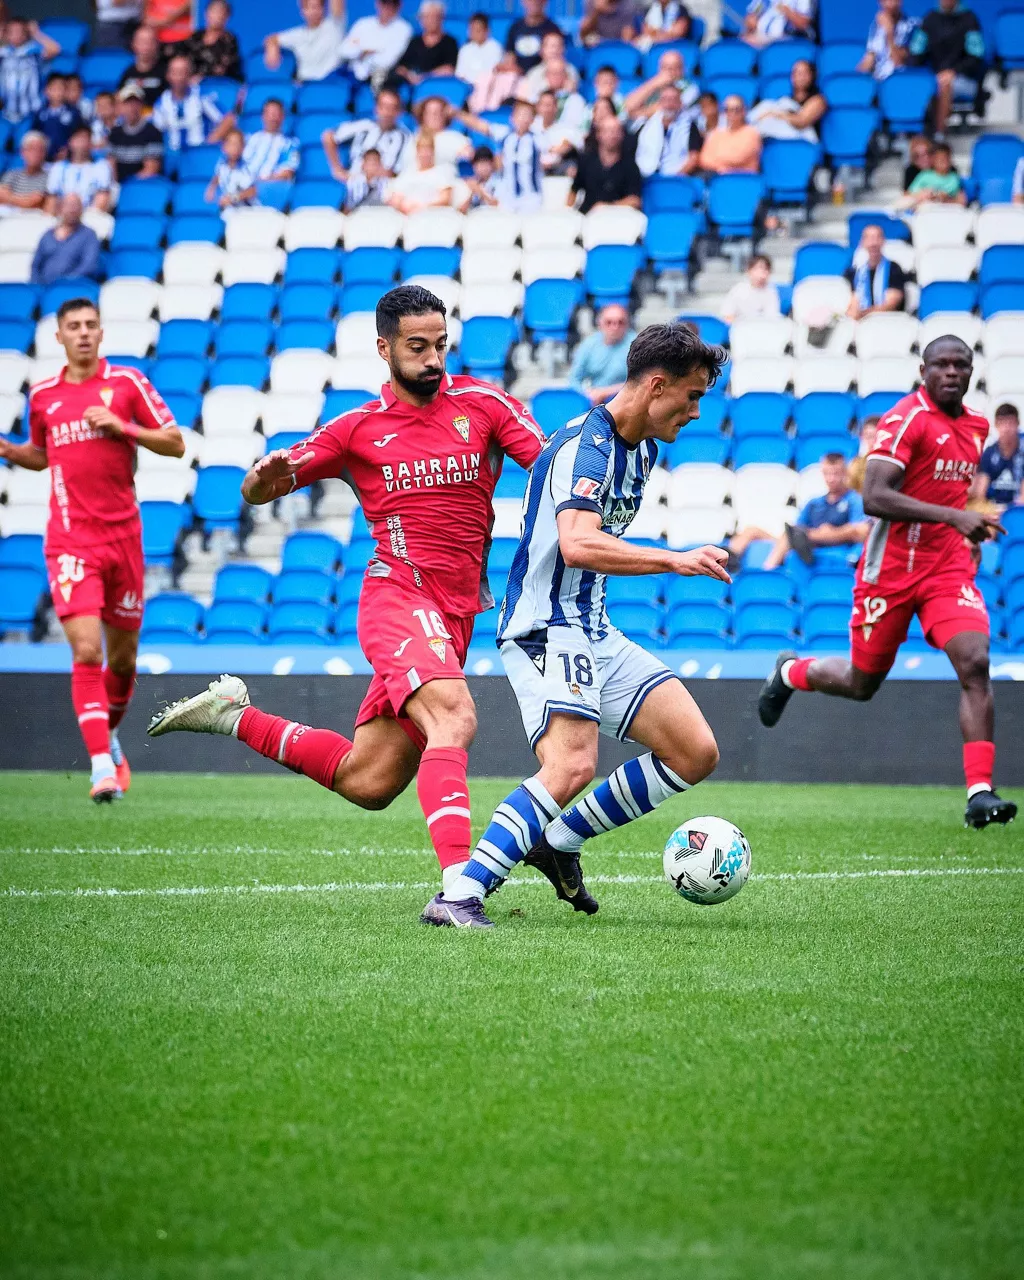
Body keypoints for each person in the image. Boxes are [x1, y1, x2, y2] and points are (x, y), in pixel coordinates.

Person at [147, 284, 547, 915]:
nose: (432, 359)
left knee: (370, 780)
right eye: (417, 347)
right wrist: (260, 481)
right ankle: (460, 890)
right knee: (455, 718)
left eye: (440, 345)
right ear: (385, 349)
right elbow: (259, 489)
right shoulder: (356, 429)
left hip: (456, 612)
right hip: (397, 596)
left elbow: (553, 470)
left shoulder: (485, 404)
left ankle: (233, 716)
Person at [426, 323, 730, 927]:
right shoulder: (582, 448)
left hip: (592, 626)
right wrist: (674, 559)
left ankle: (557, 841)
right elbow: (578, 544)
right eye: (692, 395)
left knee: (695, 752)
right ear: (656, 386)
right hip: (544, 626)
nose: (697, 411)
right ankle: (458, 897)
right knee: (570, 766)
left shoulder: (642, 448)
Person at [759, 336, 1016, 830]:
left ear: (971, 372)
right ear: (923, 371)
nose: (951, 372)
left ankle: (979, 792)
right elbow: (874, 496)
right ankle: (790, 672)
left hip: (945, 568)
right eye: (941, 364)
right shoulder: (906, 419)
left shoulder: (977, 426)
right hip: (890, 570)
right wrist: (954, 516)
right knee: (861, 683)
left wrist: (969, 525)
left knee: (976, 661)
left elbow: (949, 492)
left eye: (960, 365)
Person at [0, 298, 184, 803]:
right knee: (86, 651)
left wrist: (123, 428)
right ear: (58, 337)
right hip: (70, 540)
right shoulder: (44, 396)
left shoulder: (126, 384)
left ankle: (109, 737)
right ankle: (101, 766)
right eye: (74, 326)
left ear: (102, 333)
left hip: (123, 539)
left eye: (90, 325)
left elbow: (175, 442)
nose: (83, 333)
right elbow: (44, 455)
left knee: (122, 664)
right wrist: (11, 451)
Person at [730, 452, 870, 570]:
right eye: (827, 474)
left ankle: (768, 571)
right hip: (804, 542)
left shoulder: (854, 500)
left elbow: (860, 531)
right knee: (752, 530)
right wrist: (814, 534)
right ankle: (729, 559)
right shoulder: (814, 502)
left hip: (832, 546)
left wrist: (825, 534)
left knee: (790, 535)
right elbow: (797, 529)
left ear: (845, 473)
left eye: (836, 474)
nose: (831, 479)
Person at [908, 0, 985, 137]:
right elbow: (916, 51)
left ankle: (939, 135)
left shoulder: (969, 19)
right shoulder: (930, 19)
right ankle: (914, 134)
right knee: (923, 85)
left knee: (944, 84)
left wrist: (954, 71)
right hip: (935, 78)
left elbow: (976, 57)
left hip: (965, 79)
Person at [322, 87, 412, 183]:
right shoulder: (362, 126)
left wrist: (385, 173)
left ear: (399, 111)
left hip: (386, 186)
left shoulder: (406, 137)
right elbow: (328, 136)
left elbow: (405, 171)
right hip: (355, 183)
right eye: (383, 107)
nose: (387, 112)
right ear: (376, 108)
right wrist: (337, 169)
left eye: (392, 108)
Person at [152, 53, 235, 152]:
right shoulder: (161, 103)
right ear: (168, 76)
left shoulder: (201, 96)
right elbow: (156, 130)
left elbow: (228, 119)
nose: (178, 77)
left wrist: (210, 142)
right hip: (174, 156)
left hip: (200, 154)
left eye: (182, 72)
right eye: (174, 72)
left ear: (189, 75)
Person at [570, 115, 641, 213]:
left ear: (622, 135)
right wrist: (568, 212)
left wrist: (607, 207)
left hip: (615, 216)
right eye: (608, 131)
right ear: (598, 134)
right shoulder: (586, 161)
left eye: (617, 131)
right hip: (586, 215)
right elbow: (574, 190)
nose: (613, 135)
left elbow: (635, 201)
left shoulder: (630, 166)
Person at [264, 0, 347, 83]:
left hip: (331, 85)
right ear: (302, 11)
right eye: (307, 8)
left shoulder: (334, 26)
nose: (312, 12)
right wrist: (272, 49)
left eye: (316, 7)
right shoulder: (297, 34)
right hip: (303, 85)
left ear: (323, 8)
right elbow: (271, 39)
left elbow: (338, 4)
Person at [568, 303, 636, 402]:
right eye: (609, 322)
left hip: (628, 401)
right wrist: (586, 395)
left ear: (628, 324)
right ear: (600, 323)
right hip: (595, 401)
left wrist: (605, 392)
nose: (615, 327)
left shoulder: (636, 345)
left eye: (620, 322)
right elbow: (574, 379)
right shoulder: (588, 344)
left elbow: (641, 382)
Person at [0, 17, 60, 124]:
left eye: (19, 31)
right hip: (5, 113)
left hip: (32, 113)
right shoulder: (3, 53)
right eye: (11, 31)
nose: (16, 35)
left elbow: (55, 49)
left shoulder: (33, 51)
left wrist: (36, 33)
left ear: (26, 33)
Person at [30, 195, 101, 285]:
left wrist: (64, 283)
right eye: (68, 205)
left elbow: (89, 266)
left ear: (81, 209)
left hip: (73, 287)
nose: (72, 209)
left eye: (76, 205)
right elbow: (36, 265)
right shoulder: (47, 235)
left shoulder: (89, 235)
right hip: (44, 288)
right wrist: (37, 285)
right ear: (60, 208)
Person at [336, 0, 413, 83]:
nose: (388, 7)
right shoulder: (363, 24)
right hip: (350, 74)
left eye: (394, 4)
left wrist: (361, 52)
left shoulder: (403, 29)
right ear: (378, 3)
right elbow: (344, 50)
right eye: (384, 2)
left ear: (399, 6)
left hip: (382, 78)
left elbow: (387, 61)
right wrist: (368, 52)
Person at [749, 58, 826, 141]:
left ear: (812, 76)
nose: (800, 77)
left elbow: (801, 121)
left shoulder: (818, 100)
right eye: (796, 73)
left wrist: (774, 114)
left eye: (804, 73)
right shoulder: (786, 100)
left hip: (802, 143)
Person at [44, 125, 111, 213]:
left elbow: (102, 199)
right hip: (62, 215)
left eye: (85, 138)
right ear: (70, 142)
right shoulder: (58, 167)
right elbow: (51, 200)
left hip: (91, 216)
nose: (81, 143)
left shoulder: (101, 166)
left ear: (90, 143)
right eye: (78, 138)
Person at [844, 223, 906, 318]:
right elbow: (851, 303)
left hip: (887, 320)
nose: (873, 243)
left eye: (877, 238)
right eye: (869, 238)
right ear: (862, 242)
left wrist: (864, 315)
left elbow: (891, 304)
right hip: (858, 321)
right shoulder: (853, 272)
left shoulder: (894, 269)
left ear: (883, 241)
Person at [391, 1, 458, 86]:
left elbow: (449, 69)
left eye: (434, 17)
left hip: (437, 85)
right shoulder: (415, 41)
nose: (431, 21)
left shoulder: (450, 42)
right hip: (412, 84)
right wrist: (409, 76)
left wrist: (424, 77)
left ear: (442, 18)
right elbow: (401, 67)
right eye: (427, 17)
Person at [971, 404, 1024, 508]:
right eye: (1002, 423)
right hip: (994, 508)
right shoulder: (989, 452)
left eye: (1010, 423)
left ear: (1018, 424)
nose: (1006, 429)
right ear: (996, 425)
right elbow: (981, 492)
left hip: (1018, 510)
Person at [386, 131, 453, 212]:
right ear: (417, 152)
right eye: (422, 150)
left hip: (432, 215)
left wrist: (422, 207)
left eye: (428, 150)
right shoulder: (407, 173)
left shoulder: (442, 172)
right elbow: (395, 197)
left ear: (433, 151)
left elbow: (445, 199)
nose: (425, 154)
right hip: (405, 215)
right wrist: (404, 206)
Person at [635, 84, 693, 178]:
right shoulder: (645, 123)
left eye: (673, 100)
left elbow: (694, 157)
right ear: (659, 102)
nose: (669, 104)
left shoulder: (690, 125)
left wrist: (674, 178)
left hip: (676, 178)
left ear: (680, 103)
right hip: (644, 176)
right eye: (665, 99)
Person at [107, 84, 163, 182]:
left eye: (136, 103)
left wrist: (129, 185)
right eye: (128, 103)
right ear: (121, 106)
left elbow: (150, 169)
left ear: (142, 105)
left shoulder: (152, 132)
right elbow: (111, 165)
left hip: (141, 185)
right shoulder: (115, 133)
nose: (132, 107)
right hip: (119, 185)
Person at [623, 48, 695, 122]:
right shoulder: (654, 84)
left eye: (674, 67)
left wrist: (634, 114)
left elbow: (663, 110)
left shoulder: (690, 89)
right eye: (665, 67)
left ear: (682, 69)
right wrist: (652, 84)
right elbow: (628, 106)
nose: (670, 72)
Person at [176, 0, 242, 80]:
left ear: (227, 17)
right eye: (214, 11)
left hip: (217, 83)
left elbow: (222, 68)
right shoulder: (196, 36)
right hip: (189, 83)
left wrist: (200, 77)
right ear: (206, 13)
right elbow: (183, 54)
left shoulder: (229, 40)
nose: (217, 16)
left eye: (221, 12)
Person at [698, 94, 761, 173]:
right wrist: (721, 167)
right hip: (717, 176)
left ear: (744, 111)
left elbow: (738, 158)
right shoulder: (717, 133)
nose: (732, 113)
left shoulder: (752, 133)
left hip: (742, 177)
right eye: (728, 110)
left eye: (736, 109)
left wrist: (718, 161)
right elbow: (704, 159)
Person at [242, 97, 300, 184]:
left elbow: (287, 173)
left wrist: (258, 183)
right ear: (263, 116)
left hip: (270, 187)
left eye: (277, 114)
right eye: (270, 113)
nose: (273, 118)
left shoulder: (291, 143)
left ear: (283, 117)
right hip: (242, 186)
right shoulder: (248, 139)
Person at [30, 73, 83, 161]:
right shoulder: (40, 113)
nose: (58, 93)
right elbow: (35, 134)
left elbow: (78, 135)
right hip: (43, 159)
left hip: (66, 159)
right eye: (54, 89)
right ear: (46, 91)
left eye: (60, 89)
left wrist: (68, 150)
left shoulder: (74, 113)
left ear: (66, 91)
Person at [858, 0, 916, 80]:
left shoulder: (911, 26)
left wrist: (889, 33)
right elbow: (869, 59)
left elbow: (898, 64)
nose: (890, 3)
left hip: (898, 80)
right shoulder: (877, 25)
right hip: (877, 80)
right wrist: (858, 78)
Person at [899, 140, 966, 208]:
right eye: (917, 156)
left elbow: (959, 198)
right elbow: (909, 194)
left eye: (945, 158)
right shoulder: (922, 174)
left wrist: (945, 198)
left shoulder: (953, 176)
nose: (924, 158)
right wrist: (925, 194)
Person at [532, 87, 583, 175]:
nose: (546, 109)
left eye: (549, 105)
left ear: (556, 107)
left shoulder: (565, 128)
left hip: (558, 168)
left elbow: (579, 143)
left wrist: (567, 146)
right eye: (543, 105)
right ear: (538, 107)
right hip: (535, 168)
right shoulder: (531, 128)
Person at [117, 24, 168, 109]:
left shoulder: (166, 73)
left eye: (149, 42)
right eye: (141, 42)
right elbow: (119, 99)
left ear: (157, 44)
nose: (145, 47)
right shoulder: (128, 73)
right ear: (133, 44)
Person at [506, 0, 564, 73]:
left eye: (537, 0)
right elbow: (510, 56)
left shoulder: (553, 29)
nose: (534, 2)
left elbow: (556, 59)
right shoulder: (515, 27)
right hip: (519, 75)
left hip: (544, 76)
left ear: (545, 2)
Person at [206, 126, 257, 209]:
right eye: (231, 144)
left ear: (243, 148)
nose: (234, 148)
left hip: (247, 209)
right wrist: (211, 188)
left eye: (237, 144)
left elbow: (252, 191)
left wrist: (233, 198)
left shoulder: (247, 168)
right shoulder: (221, 166)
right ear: (224, 147)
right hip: (229, 211)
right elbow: (218, 176)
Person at [722, 252, 781, 322]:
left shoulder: (771, 291)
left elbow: (772, 318)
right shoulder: (738, 290)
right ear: (749, 270)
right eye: (758, 269)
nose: (762, 273)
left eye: (765, 269)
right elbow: (727, 316)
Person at [0, 130, 48, 214]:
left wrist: (10, 198)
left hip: (34, 219)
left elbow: (34, 202)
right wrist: (24, 201)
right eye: (31, 149)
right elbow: (1, 194)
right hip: (8, 217)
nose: (35, 153)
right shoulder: (12, 174)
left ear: (45, 153)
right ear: (22, 152)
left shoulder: (48, 177)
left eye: (40, 150)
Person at [455, 11, 503, 83]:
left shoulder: (495, 48)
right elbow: (460, 75)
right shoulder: (464, 49)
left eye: (478, 30)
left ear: (487, 31)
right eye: (472, 30)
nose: (474, 33)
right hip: (468, 86)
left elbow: (494, 72)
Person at [468, 47, 520, 112]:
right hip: (476, 111)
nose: (507, 63)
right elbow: (472, 95)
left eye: (511, 61)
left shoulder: (516, 78)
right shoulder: (484, 76)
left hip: (498, 113)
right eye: (505, 60)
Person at [742, 0, 815, 47]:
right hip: (761, 36)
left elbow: (803, 24)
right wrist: (752, 21)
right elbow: (751, 17)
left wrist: (786, 11)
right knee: (742, 43)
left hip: (788, 38)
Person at [680, 90, 718, 173]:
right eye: (703, 106)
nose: (707, 109)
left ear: (716, 105)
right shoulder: (698, 123)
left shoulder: (726, 123)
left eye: (709, 105)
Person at [459, 144, 500, 210]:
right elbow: (462, 210)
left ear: (492, 164)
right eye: (479, 164)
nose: (483, 168)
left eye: (485, 163)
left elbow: (497, 205)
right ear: (473, 166)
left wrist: (480, 192)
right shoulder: (473, 183)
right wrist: (472, 192)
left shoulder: (498, 182)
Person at [847, 416, 880, 492]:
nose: (871, 441)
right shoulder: (856, 464)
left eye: (874, 437)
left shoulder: (894, 460)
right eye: (867, 436)